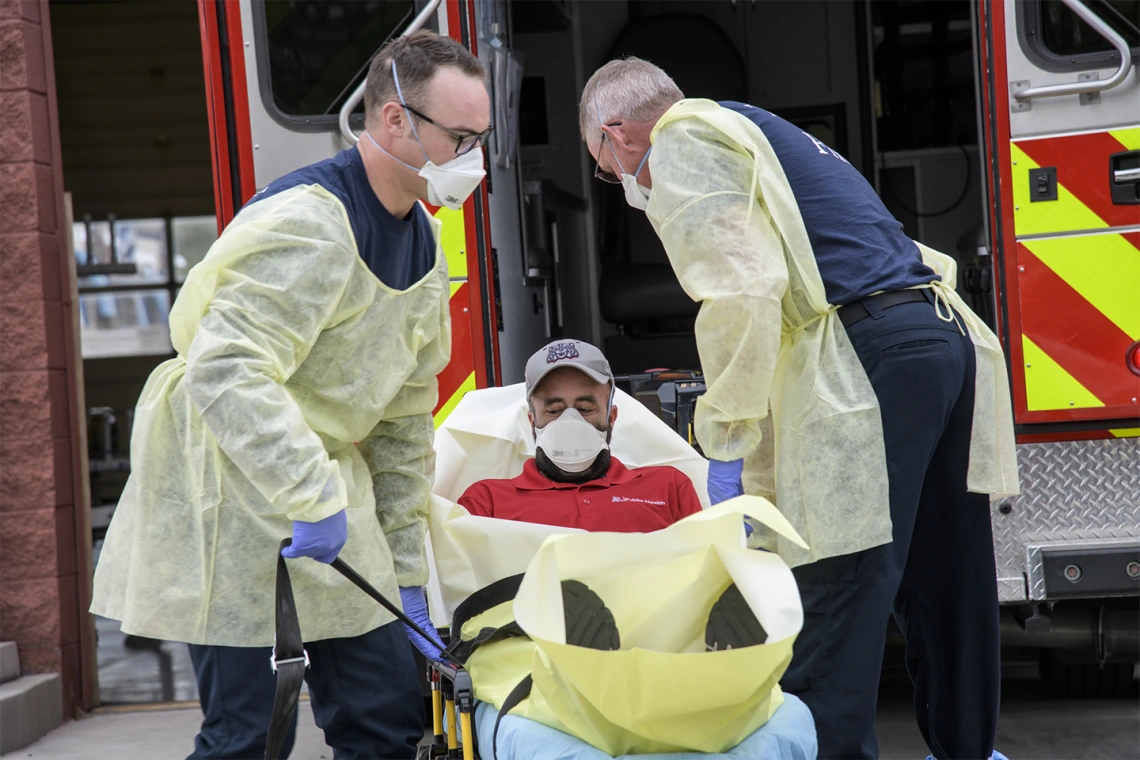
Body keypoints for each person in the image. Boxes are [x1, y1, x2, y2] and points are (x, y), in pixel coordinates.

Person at [578, 58, 1019, 760]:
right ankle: (968, 750)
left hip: (872, 351)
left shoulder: (682, 139)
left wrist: (726, 436)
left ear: (617, 134)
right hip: (941, 339)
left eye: (606, 170)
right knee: (945, 577)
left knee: (839, 578)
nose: (621, 184)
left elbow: (740, 289)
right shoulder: (753, 124)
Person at [91, 31, 492, 760]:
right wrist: (310, 494)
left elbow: (404, 422)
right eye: (460, 137)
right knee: (247, 736)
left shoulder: (427, 247)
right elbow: (227, 369)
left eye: (480, 138)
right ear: (395, 119)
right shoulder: (307, 224)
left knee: (385, 716)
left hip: (326, 483)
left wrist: (405, 578)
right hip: (228, 481)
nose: (473, 160)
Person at [457, 339, 704, 529]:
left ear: (611, 418)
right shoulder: (487, 503)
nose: (570, 421)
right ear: (532, 422)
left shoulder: (668, 489)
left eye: (585, 409)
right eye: (554, 410)